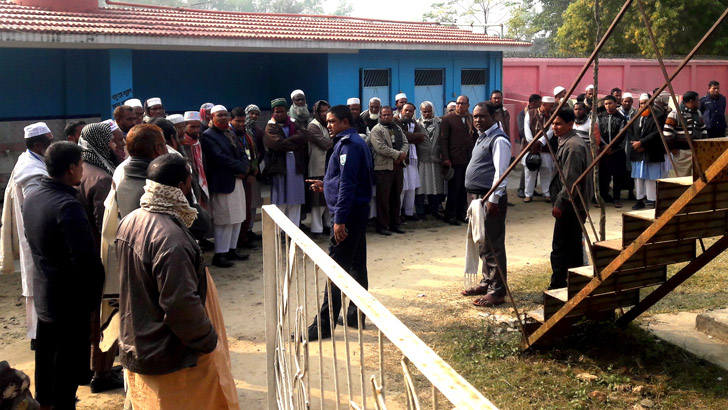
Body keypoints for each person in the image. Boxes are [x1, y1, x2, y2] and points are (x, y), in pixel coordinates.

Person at [116, 154, 238, 410]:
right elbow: (180, 304)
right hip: (170, 352)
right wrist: (207, 341)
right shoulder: (171, 239)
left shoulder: (130, 220)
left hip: (139, 338)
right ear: (183, 186)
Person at [23, 141, 105, 410]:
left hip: (46, 288)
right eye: (81, 165)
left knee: (47, 353)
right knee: (67, 360)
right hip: (69, 298)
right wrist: (94, 300)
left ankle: (44, 401)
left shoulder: (34, 194)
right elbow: (85, 260)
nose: (82, 170)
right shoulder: (67, 205)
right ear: (71, 169)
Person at [305, 105, 373, 340]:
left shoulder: (349, 146)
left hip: (349, 214)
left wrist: (339, 220)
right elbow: (342, 180)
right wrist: (326, 185)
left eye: (332, 121)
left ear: (345, 122)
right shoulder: (351, 142)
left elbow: (348, 184)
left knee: (336, 270)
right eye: (328, 121)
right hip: (356, 211)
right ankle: (355, 314)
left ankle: (324, 325)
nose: (329, 125)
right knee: (356, 265)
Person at [76, 122, 123, 393]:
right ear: (102, 143)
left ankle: (93, 368)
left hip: (85, 257)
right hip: (103, 258)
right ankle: (102, 374)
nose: (117, 145)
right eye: (113, 141)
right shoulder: (102, 178)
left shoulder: (81, 170)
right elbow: (106, 225)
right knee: (106, 314)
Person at [7, 123, 53, 347]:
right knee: (39, 285)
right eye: (49, 142)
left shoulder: (34, 161)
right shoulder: (30, 171)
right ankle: (40, 337)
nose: (52, 145)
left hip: (37, 235)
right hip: (36, 237)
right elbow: (38, 207)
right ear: (38, 145)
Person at [462, 103, 511, 307]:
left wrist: (493, 200)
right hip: (476, 197)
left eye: (482, 116)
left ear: (493, 116)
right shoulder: (482, 136)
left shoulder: (499, 139)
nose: (478, 120)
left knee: (493, 244)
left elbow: (501, 174)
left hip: (489, 198)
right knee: (482, 242)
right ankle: (487, 281)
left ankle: (497, 291)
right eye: (475, 116)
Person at [548, 108, 593, 290]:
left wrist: (560, 203)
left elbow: (570, 181)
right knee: (573, 247)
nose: (554, 127)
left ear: (570, 124)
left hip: (570, 205)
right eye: (553, 123)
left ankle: (558, 286)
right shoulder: (565, 141)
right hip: (572, 204)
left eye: (558, 123)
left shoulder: (573, 146)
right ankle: (574, 285)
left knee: (561, 248)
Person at [201, 105, 249, 267]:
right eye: (219, 115)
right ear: (211, 118)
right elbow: (219, 158)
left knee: (237, 217)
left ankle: (231, 250)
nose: (222, 118)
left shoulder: (229, 133)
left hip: (236, 180)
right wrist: (241, 168)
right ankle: (219, 254)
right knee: (224, 220)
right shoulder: (208, 136)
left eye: (224, 115)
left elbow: (243, 153)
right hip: (222, 181)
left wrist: (244, 167)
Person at [264, 98, 309, 227]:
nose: (280, 114)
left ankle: (295, 229)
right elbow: (277, 145)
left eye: (282, 111)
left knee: (295, 200)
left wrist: (288, 140)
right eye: (277, 112)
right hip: (280, 167)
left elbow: (305, 137)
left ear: (286, 111)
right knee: (281, 201)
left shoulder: (294, 123)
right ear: (273, 112)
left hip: (296, 166)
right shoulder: (270, 126)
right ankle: (280, 231)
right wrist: (295, 143)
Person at [370, 106, 408, 235]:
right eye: (384, 115)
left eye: (388, 115)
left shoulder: (396, 128)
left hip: (397, 167)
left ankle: (395, 224)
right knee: (383, 199)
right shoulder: (376, 130)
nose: (386, 117)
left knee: (396, 196)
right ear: (380, 116)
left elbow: (405, 142)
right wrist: (397, 155)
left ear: (392, 115)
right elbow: (380, 148)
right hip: (383, 168)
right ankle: (382, 226)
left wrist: (403, 153)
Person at [229, 106, 261, 249]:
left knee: (247, 209)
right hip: (235, 177)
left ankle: (243, 238)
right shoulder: (228, 134)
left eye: (243, 121)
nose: (241, 124)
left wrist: (253, 171)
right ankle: (234, 244)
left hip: (248, 177)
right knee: (236, 211)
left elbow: (253, 154)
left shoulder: (246, 134)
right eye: (238, 121)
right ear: (231, 120)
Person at [629, 93, 667, 210]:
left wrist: (642, 143)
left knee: (652, 177)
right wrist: (636, 144)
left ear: (651, 103)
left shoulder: (659, 115)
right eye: (641, 103)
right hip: (637, 151)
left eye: (646, 103)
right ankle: (639, 200)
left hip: (652, 150)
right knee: (638, 177)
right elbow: (629, 130)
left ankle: (653, 201)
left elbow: (657, 133)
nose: (644, 105)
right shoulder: (635, 115)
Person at [440, 95, 473, 225]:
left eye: (462, 103)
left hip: (468, 158)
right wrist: (446, 158)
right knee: (454, 188)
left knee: (464, 188)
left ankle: (462, 213)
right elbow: (443, 141)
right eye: (458, 103)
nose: (459, 106)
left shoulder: (470, 118)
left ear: (467, 105)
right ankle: (450, 215)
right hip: (454, 159)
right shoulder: (448, 119)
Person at [664, 91, 708, 176]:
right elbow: (667, 133)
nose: (699, 102)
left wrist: (704, 146)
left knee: (700, 179)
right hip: (682, 153)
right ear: (692, 101)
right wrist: (674, 150)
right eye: (697, 100)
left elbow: (703, 129)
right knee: (683, 179)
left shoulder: (698, 113)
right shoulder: (675, 114)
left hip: (697, 152)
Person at [595, 95, 628, 208]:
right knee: (603, 176)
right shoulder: (599, 117)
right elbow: (597, 133)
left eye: (610, 103)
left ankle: (617, 198)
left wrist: (612, 147)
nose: (608, 106)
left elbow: (622, 134)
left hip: (617, 151)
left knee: (618, 176)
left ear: (615, 103)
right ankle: (603, 198)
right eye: (606, 104)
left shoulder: (622, 118)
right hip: (603, 151)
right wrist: (604, 146)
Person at [307, 100, 333, 239]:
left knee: (329, 198)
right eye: (322, 111)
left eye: (326, 111)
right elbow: (325, 144)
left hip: (330, 167)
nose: (324, 114)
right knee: (317, 201)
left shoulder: (329, 124)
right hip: (317, 167)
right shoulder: (313, 126)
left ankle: (328, 225)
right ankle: (316, 228)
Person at [415, 101, 445, 220]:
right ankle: (421, 212)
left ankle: (434, 210)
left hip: (435, 159)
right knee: (421, 187)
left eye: (429, 111)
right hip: (422, 159)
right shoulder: (417, 124)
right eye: (424, 112)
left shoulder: (440, 123)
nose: (426, 114)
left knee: (435, 187)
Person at [523, 96, 556, 202]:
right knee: (530, 171)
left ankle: (547, 193)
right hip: (530, 147)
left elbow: (551, 131)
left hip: (544, 147)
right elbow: (526, 128)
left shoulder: (552, 115)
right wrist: (532, 142)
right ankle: (528, 194)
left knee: (546, 170)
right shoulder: (531, 113)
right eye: (550, 106)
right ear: (544, 104)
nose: (551, 108)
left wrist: (540, 142)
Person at [396, 102, 424, 221]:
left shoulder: (414, 123)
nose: (408, 113)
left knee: (411, 187)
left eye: (410, 111)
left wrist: (411, 136)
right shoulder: (396, 121)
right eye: (406, 110)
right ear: (401, 110)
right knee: (401, 188)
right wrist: (414, 136)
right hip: (401, 159)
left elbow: (421, 137)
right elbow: (401, 135)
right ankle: (398, 213)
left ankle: (408, 213)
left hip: (412, 160)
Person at [243, 104, 265, 243]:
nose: (254, 116)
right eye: (252, 113)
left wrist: (255, 166)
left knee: (253, 202)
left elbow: (261, 151)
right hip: (242, 172)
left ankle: (249, 229)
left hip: (254, 171)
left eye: (257, 114)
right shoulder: (239, 130)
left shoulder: (258, 131)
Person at [180, 111, 209, 208]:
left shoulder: (199, 141)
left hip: (201, 184)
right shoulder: (181, 144)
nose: (196, 130)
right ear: (185, 127)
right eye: (192, 127)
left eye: (198, 127)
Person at [516, 94, 542, 198]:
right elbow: (522, 130)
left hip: (538, 143)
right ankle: (522, 189)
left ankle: (531, 189)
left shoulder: (539, 113)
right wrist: (532, 140)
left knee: (535, 164)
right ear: (533, 103)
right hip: (527, 143)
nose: (540, 105)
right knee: (527, 166)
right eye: (539, 103)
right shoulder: (522, 114)